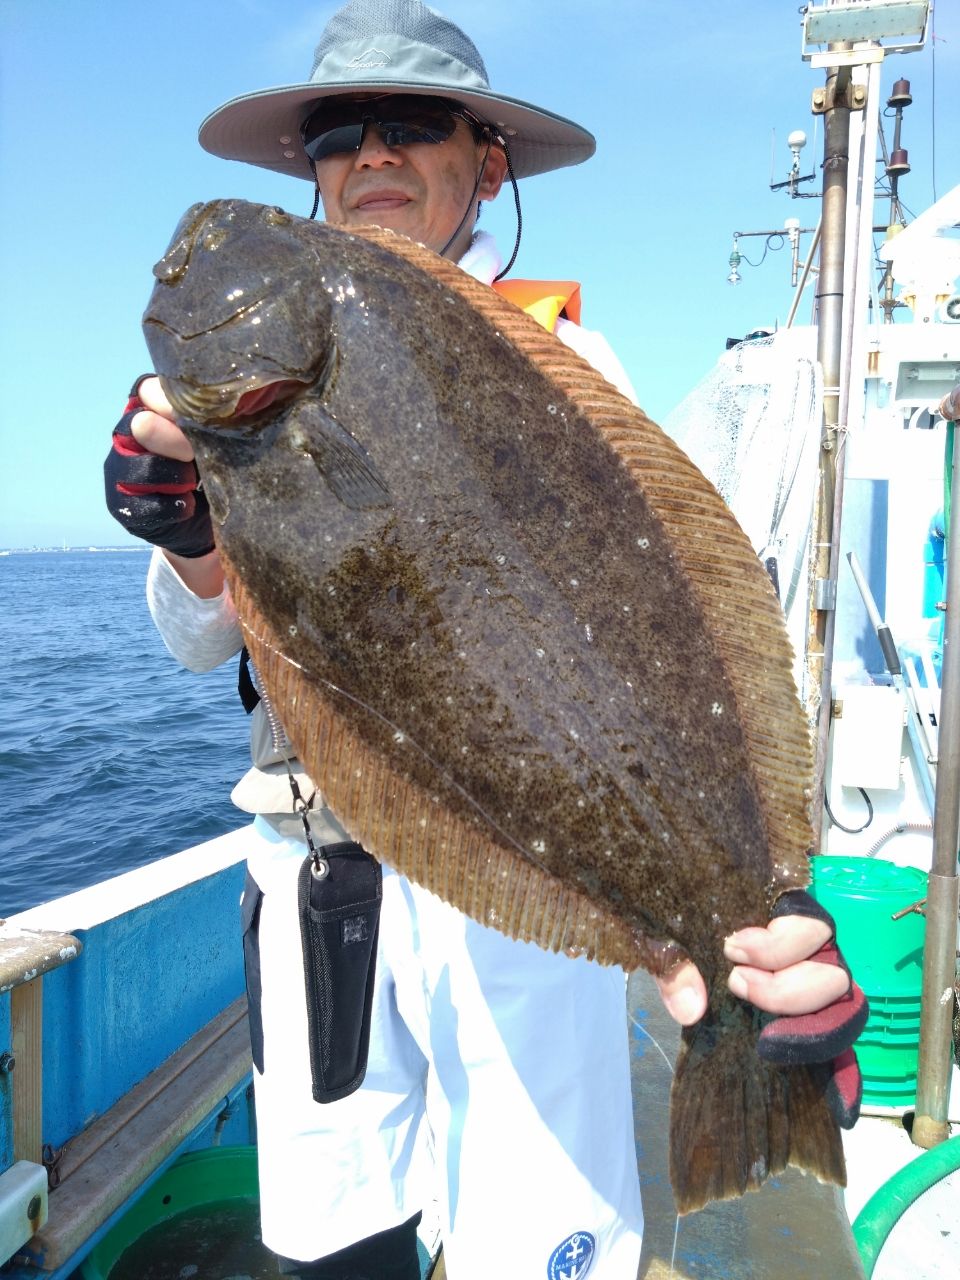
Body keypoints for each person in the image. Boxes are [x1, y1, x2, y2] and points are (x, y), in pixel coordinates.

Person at [104, 4, 867, 1277]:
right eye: (339, 133)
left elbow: (648, 639)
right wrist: (186, 533)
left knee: (537, 1246)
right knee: (335, 1244)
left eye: (412, 124)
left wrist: (750, 886)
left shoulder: (568, 363)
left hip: (517, 907)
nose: (373, 153)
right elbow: (203, 638)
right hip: (314, 871)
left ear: (487, 164)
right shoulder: (225, 416)